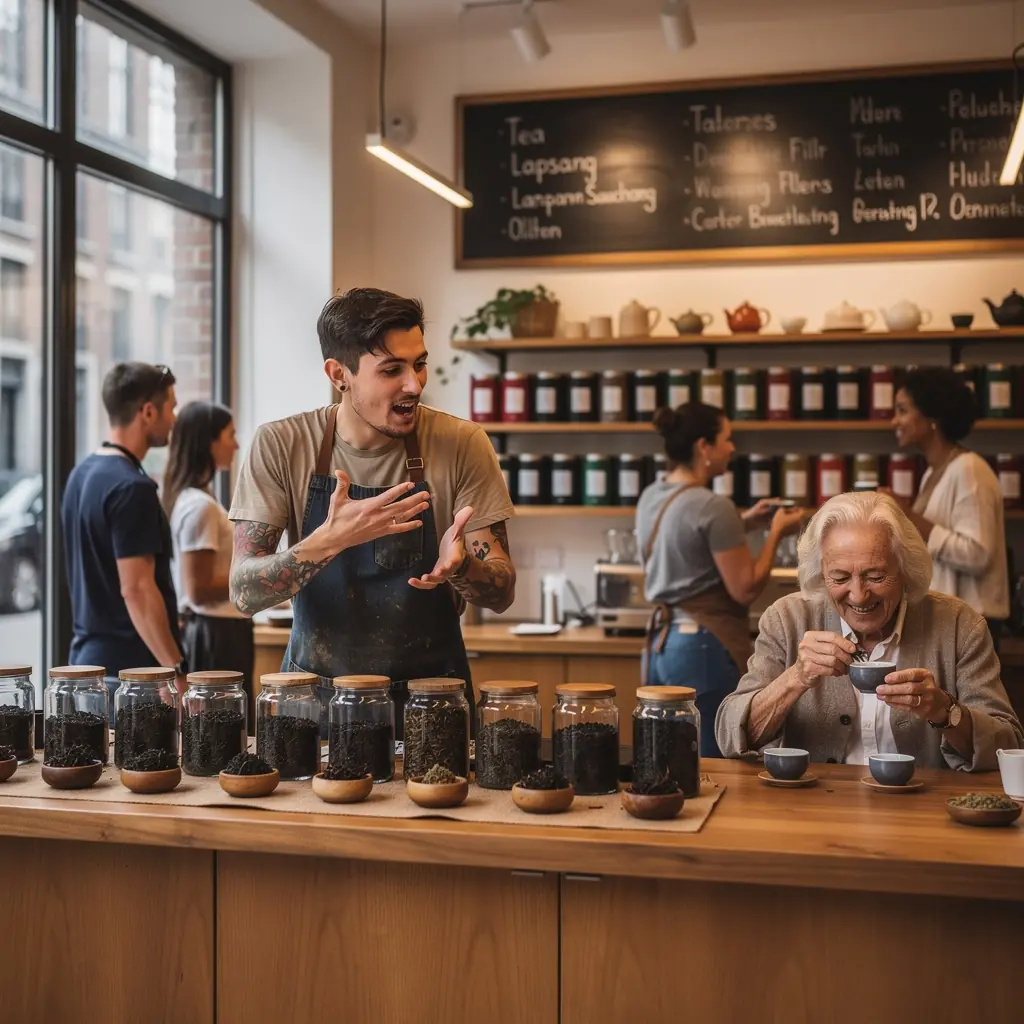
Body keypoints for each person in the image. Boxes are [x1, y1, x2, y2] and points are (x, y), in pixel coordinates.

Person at [227, 287, 516, 733]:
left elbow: (502, 592)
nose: (414, 385)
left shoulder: (462, 444)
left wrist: (463, 569)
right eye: (391, 370)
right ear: (338, 374)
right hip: (313, 707)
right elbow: (244, 592)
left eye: (419, 364)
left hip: (433, 705)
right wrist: (328, 541)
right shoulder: (281, 445)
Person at [715, 491, 1022, 769]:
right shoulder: (786, 619)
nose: (859, 595)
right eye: (840, 578)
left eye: (875, 576)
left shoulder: (959, 625)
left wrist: (946, 712)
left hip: (926, 807)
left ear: (905, 569)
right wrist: (796, 677)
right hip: (811, 805)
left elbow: (1007, 743)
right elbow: (731, 737)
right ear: (821, 574)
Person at [636, 402, 804, 757]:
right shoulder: (713, 505)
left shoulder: (652, 494)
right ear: (704, 446)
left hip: (663, 645)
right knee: (714, 758)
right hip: (703, 647)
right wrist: (776, 533)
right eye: (726, 438)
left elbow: (686, 538)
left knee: (668, 756)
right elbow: (745, 588)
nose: (732, 447)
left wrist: (743, 522)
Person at [61, 363, 187, 697]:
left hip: (85, 665)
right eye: (171, 407)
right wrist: (174, 671)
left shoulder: (80, 475)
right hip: (130, 677)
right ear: (148, 412)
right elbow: (137, 590)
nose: (174, 419)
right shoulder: (132, 487)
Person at [885, 366, 1009, 642]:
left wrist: (908, 515)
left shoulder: (969, 470)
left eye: (902, 410)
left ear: (932, 416)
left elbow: (977, 555)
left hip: (972, 626)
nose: (894, 421)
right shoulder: (932, 472)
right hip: (947, 622)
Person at [165, 401, 252, 709]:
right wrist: (254, 577)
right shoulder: (199, 507)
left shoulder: (201, 500)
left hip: (221, 630)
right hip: (215, 635)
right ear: (210, 442)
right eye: (231, 435)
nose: (236, 445)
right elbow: (198, 590)